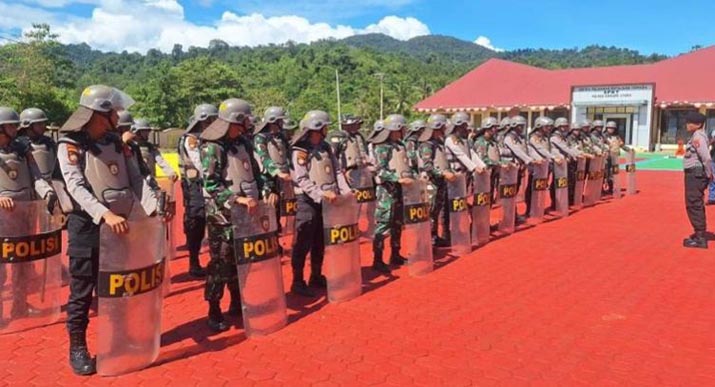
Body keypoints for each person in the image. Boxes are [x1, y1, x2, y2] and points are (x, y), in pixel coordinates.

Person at [56, 85, 159, 375]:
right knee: (82, 292)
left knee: (119, 286)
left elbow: (136, 180)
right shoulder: (70, 144)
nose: (117, 115)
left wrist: (151, 211)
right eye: (112, 111)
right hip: (87, 227)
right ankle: (78, 347)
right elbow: (75, 185)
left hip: (122, 226)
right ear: (99, 113)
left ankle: (120, 337)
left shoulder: (118, 143)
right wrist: (104, 214)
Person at [199, 98, 276, 331]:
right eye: (243, 122)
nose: (246, 127)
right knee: (220, 264)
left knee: (244, 261)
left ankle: (236, 301)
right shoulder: (212, 146)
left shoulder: (244, 142)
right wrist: (236, 199)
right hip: (222, 217)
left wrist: (267, 189)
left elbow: (256, 171)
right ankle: (214, 309)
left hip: (247, 213)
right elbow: (211, 184)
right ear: (235, 122)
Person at [0, 107, 57, 327]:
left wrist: (47, 192)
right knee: (2, 266)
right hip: (2, 218)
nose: (16, 129)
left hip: (25, 212)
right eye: (12, 125)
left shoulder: (23, 149)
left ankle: (20, 305)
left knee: (22, 264)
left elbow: (36, 177)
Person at [290, 110, 351, 296]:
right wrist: (320, 194)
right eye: (325, 126)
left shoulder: (326, 147)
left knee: (319, 240)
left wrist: (346, 191)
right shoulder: (300, 151)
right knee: (303, 241)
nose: (327, 129)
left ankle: (316, 275)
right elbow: (301, 178)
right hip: (307, 201)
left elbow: (337, 171)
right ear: (318, 127)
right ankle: (297, 281)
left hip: (327, 200)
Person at [178, 104, 217, 278]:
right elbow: (200, 165)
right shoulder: (191, 139)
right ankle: (194, 263)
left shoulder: (207, 137)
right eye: (211, 119)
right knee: (197, 223)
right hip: (195, 187)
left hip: (205, 185)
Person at [371, 114, 414, 272]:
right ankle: (378, 259)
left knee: (397, 223)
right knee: (383, 224)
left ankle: (395, 254)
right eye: (402, 128)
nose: (404, 130)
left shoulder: (400, 145)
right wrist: (397, 178)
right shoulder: (382, 146)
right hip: (386, 191)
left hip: (399, 191)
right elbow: (380, 170)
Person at [253, 106, 292, 236]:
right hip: (266, 178)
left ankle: (276, 235)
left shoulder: (281, 136)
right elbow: (264, 157)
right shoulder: (260, 138)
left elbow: (288, 154)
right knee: (268, 208)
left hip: (282, 178)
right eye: (279, 121)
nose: (281, 124)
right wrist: (277, 172)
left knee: (279, 208)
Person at [417, 113, 455, 247]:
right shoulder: (427, 145)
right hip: (431, 183)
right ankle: (427, 241)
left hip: (439, 182)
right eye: (443, 126)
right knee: (430, 213)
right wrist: (443, 174)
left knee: (436, 212)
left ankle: (434, 236)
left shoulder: (438, 143)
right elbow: (427, 166)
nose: (445, 129)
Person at [682, 112, 712, 248]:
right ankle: (699, 232)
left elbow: (706, 158)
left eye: (690, 122)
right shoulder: (696, 135)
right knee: (695, 202)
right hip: (695, 174)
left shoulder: (698, 137)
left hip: (696, 174)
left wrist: (709, 174)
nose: (687, 125)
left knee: (694, 203)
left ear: (698, 124)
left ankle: (700, 238)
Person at [501, 116, 539, 220]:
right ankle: (509, 216)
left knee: (514, 192)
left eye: (522, 126)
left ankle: (512, 214)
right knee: (509, 192)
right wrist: (529, 160)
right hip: (509, 169)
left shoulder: (521, 137)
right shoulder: (509, 138)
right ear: (514, 126)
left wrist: (535, 158)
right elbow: (517, 150)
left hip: (518, 168)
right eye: (519, 126)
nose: (521, 128)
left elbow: (527, 149)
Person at [472, 117, 502, 204]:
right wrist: (498, 163)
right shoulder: (480, 142)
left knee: (489, 196)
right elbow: (483, 159)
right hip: (482, 174)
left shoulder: (493, 141)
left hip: (492, 172)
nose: (496, 129)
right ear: (487, 127)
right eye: (494, 127)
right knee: (481, 198)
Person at [603, 121, 631, 195]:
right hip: (606, 158)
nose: (611, 129)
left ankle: (611, 188)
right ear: (606, 128)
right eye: (609, 128)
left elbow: (622, 145)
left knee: (613, 173)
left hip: (615, 158)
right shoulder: (604, 136)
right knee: (605, 173)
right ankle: (601, 189)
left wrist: (628, 150)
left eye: (612, 128)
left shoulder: (617, 137)